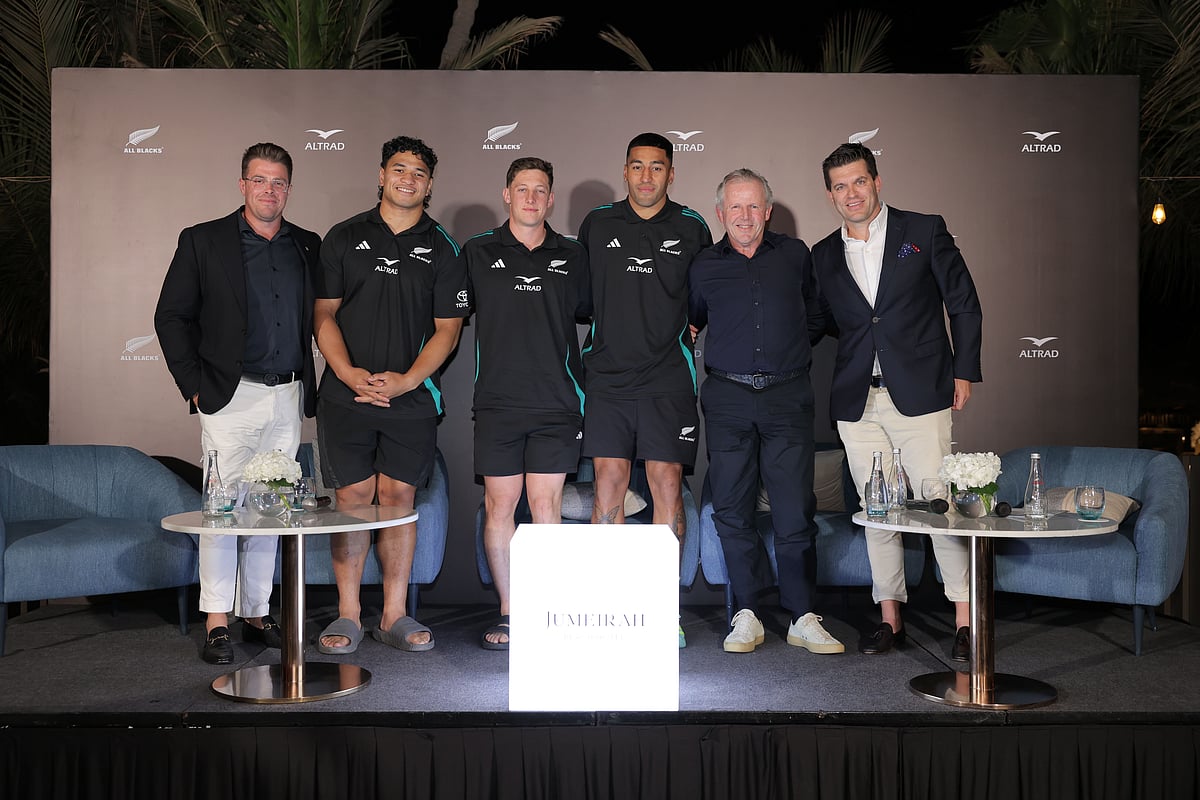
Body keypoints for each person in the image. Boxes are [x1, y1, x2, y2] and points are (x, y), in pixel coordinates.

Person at [810, 142, 983, 660]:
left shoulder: (924, 230)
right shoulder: (821, 254)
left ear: (877, 182)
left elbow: (964, 303)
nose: (850, 193)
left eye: (858, 181)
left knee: (939, 504)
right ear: (830, 195)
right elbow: (817, 324)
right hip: (858, 402)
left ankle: (965, 619)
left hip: (923, 390)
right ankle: (890, 618)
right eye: (840, 186)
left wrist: (965, 371)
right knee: (877, 511)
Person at [154, 142, 320, 664]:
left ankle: (256, 610)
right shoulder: (203, 241)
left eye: (279, 182)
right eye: (259, 180)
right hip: (229, 395)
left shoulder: (308, 245)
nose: (269, 190)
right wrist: (196, 386)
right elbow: (170, 317)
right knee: (223, 510)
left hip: (287, 394)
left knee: (271, 507)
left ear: (288, 189)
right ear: (242, 183)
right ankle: (217, 621)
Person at [312, 135, 468, 655]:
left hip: (411, 399)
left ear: (429, 184)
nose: (408, 179)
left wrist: (405, 380)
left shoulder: (444, 247)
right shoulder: (343, 235)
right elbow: (324, 315)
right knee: (353, 499)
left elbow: (448, 330)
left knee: (399, 500)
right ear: (381, 174)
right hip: (346, 395)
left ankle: (395, 614)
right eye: (398, 169)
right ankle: (350, 614)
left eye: (419, 172)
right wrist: (348, 372)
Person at [688, 168, 843, 655]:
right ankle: (746, 614)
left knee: (794, 510)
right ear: (720, 212)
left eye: (754, 206)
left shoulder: (796, 256)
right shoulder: (703, 265)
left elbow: (817, 316)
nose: (745, 216)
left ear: (768, 211)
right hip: (728, 399)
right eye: (735, 206)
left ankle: (802, 616)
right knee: (733, 512)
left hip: (787, 397)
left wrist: (785, 353)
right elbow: (693, 321)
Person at [576, 133, 713, 647]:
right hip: (608, 378)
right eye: (638, 167)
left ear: (671, 174)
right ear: (625, 171)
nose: (647, 177)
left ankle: (663, 610)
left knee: (667, 487)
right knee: (607, 484)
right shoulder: (598, 222)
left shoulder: (693, 226)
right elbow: (584, 299)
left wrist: (690, 324)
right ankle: (608, 607)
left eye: (658, 167)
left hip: (667, 379)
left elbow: (702, 299)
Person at [462, 157, 590, 650]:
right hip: (497, 404)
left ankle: (546, 610)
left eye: (540, 190)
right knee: (500, 506)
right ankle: (511, 612)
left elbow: (601, 313)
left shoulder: (574, 255)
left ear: (551, 199)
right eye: (522, 189)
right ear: (506, 195)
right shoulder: (476, 252)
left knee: (546, 508)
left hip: (558, 403)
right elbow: (445, 317)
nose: (531, 198)